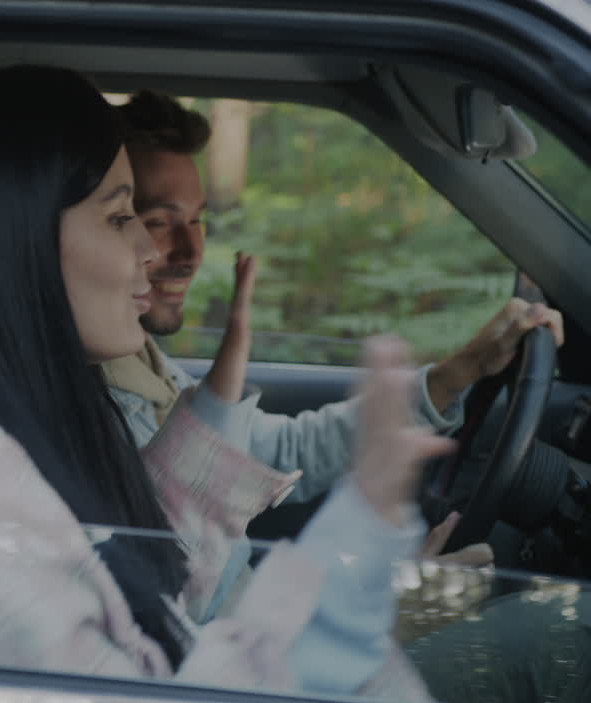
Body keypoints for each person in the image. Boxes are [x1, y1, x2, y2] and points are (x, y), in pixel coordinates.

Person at [0, 65, 447, 701]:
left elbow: (147, 579)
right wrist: (363, 539)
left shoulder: (44, 421)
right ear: (12, 246)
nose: (149, 249)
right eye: (118, 218)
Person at [104, 89, 564, 552]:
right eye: (158, 221)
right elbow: (174, 600)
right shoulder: (92, 404)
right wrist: (406, 610)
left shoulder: (142, 361)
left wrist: (458, 372)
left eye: (198, 222)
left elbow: (284, 454)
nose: (190, 253)